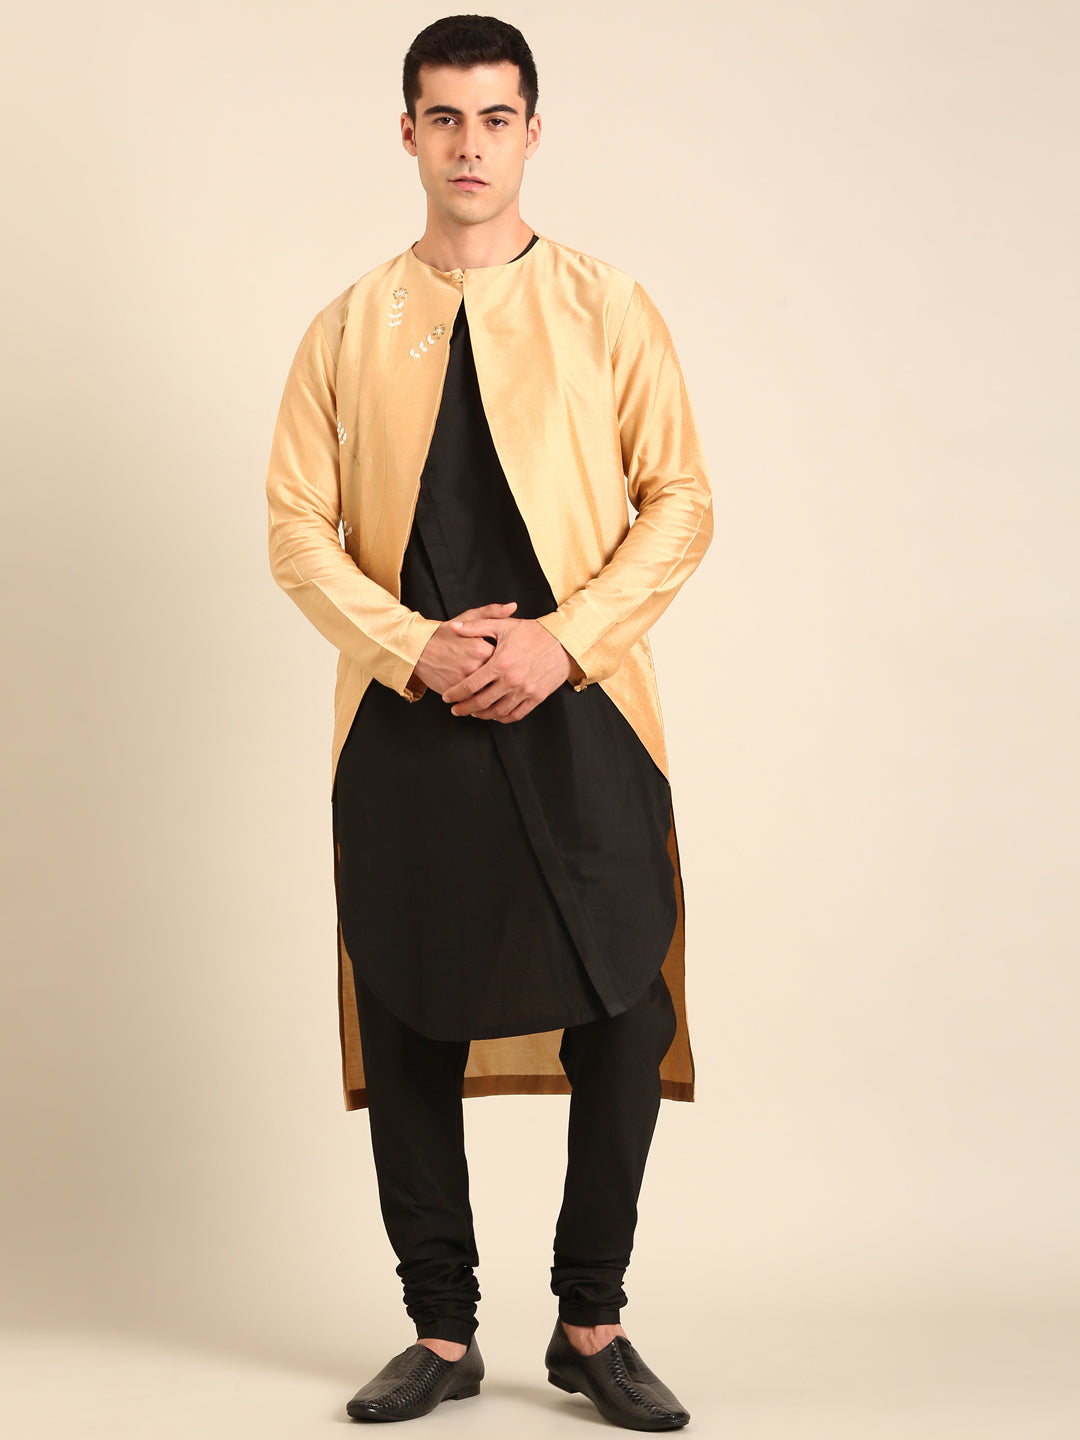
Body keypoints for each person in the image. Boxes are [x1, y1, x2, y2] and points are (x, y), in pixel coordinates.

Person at [265, 14, 712, 1431]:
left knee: (624, 1006)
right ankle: (441, 1332)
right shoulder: (346, 327)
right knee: (409, 1010)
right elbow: (295, 531)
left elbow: (681, 501)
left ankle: (591, 1321)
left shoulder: (608, 307)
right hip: (410, 719)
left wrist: (563, 641)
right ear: (407, 133)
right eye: (445, 118)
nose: (470, 144)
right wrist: (418, 649)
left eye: (495, 117)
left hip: (582, 706)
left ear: (533, 131)